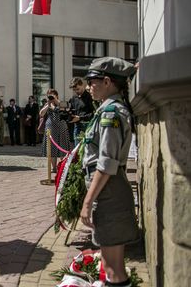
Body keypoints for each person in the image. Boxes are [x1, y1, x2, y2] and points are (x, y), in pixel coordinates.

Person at [80, 57, 139, 287]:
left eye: (92, 81)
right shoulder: (107, 110)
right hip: (109, 191)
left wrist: (87, 201)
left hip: (109, 192)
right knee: (108, 262)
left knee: (114, 270)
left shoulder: (111, 114)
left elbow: (105, 164)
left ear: (107, 81)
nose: (88, 87)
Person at [39, 89, 71, 172]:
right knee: (51, 148)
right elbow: (41, 114)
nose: (50, 96)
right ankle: (54, 168)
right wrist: (48, 105)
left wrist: (56, 101)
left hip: (61, 126)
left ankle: (63, 166)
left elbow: (65, 109)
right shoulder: (47, 104)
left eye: (52, 95)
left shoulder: (61, 102)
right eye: (49, 95)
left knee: (62, 146)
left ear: (56, 95)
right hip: (51, 127)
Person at [68, 77, 95, 146]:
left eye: (78, 89)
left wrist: (80, 118)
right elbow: (72, 110)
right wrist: (69, 114)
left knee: (88, 149)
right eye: (74, 90)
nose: (77, 91)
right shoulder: (74, 98)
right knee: (78, 150)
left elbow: (94, 113)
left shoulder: (90, 97)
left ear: (82, 85)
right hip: (77, 126)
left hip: (88, 126)